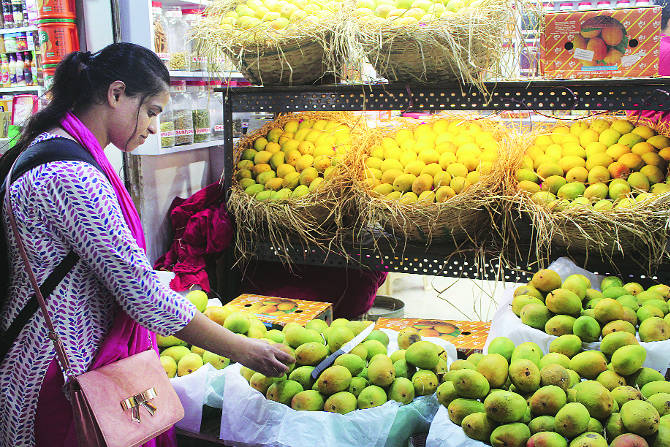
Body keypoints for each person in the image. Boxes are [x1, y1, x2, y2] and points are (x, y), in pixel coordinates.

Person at [0, 43, 293, 447]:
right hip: (64, 374)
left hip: (43, 359)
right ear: (115, 94)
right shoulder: (71, 176)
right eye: (152, 111)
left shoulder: (44, 149)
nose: (154, 127)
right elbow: (143, 296)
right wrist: (241, 348)